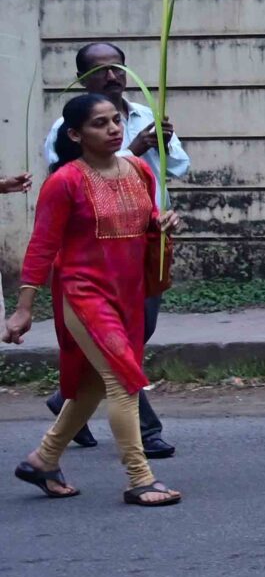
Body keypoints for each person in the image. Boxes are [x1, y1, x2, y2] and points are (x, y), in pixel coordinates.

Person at [7, 94, 182, 506]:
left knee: (92, 385)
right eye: (99, 124)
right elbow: (42, 246)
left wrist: (162, 224)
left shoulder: (139, 170)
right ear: (75, 135)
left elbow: (145, 224)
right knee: (123, 379)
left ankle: (43, 459)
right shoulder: (64, 181)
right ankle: (140, 478)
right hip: (84, 293)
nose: (113, 129)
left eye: (115, 120)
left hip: (129, 293)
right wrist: (23, 308)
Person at [39, 40, 182, 459]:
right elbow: (68, 177)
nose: (112, 76)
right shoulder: (67, 127)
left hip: (146, 245)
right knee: (120, 352)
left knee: (138, 333)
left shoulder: (146, 116)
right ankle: (145, 441)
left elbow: (178, 166)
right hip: (94, 261)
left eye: (118, 67)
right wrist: (134, 149)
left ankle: (62, 413)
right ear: (82, 80)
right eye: (100, 70)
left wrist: (163, 143)